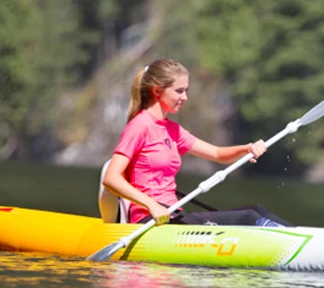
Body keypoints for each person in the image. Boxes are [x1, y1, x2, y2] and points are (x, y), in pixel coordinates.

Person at [99, 58, 292, 228]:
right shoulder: (140, 125)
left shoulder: (172, 130)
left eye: (186, 91)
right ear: (157, 90)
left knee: (256, 209)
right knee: (248, 218)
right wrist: (151, 205)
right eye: (179, 91)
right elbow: (111, 178)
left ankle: (303, 238)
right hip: (150, 221)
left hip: (173, 216)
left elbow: (216, 153)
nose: (185, 98)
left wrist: (247, 148)